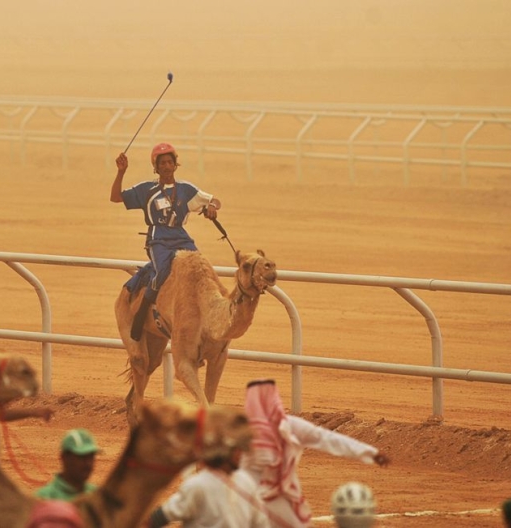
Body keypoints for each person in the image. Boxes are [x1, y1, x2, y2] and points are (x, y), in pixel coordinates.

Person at [241, 379, 390, 528]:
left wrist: (369, 452)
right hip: (249, 497)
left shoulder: (288, 426)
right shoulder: (241, 432)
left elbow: (326, 438)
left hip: (281, 497)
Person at [111, 143, 221, 341]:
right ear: (156, 166)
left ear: (175, 164)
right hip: (158, 238)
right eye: (162, 163)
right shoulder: (147, 190)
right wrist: (121, 172)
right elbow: (116, 197)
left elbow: (214, 200)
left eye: (170, 162)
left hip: (181, 236)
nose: (167, 166)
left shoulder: (187, 190)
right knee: (162, 271)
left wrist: (212, 207)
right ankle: (143, 311)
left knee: (200, 268)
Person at [148, 447, 270, 528]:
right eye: (236, 451)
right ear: (222, 453)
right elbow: (162, 517)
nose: (241, 455)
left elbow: (260, 522)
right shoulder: (198, 484)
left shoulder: (245, 480)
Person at [34, 429, 100, 501]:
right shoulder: (45, 498)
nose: (88, 463)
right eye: (82, 457)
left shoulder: (96, 495)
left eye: (91, 457)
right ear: (64, 458)